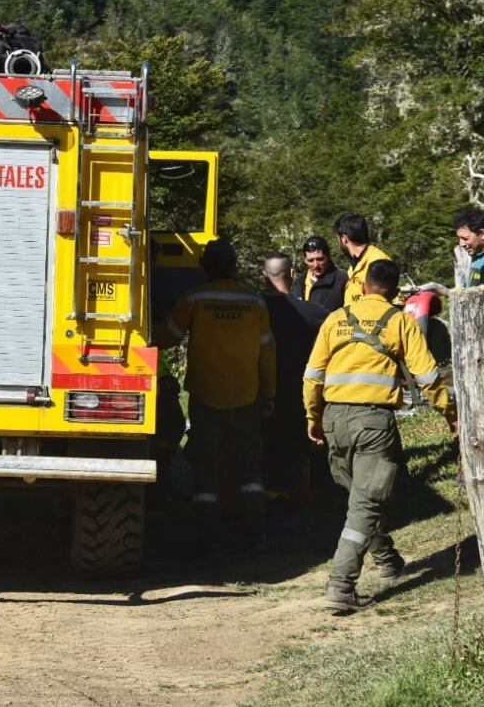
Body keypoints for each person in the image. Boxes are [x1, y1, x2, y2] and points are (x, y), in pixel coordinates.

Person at [304, 260, 455, 612]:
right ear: (394, 291)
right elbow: (428, 377)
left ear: (366, 286)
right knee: (366, 504)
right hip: (372, 422)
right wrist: (451, 415)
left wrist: (312, 417)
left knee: (360, 499)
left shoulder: (336, 319)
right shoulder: (400, 321)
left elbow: (312, 376)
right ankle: (341, 587)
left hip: (333, 419)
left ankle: (387, 560)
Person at [156, 238, 276, 554]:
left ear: (205, 266)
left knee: (205, 473)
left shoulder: (195, 298)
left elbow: (166, 338)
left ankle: (207, 542)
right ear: (234, 265)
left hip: (205, 398)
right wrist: (269, 394)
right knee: (249, 471)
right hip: (246, 397)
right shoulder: (255, 303)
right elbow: (267, 353)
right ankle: (257, 537)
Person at [262, 252, 325, 525]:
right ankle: (299, 506)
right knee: (299, 448)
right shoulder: (313, 313)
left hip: (260, 390)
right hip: (299, 392)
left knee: (262, 447)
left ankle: (264, 505)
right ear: (292, 273)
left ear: (265, 276)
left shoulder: (254, 308)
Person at [333, 213, 393, 307]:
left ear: (344, 239)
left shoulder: (379, 262)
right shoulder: (354, 266)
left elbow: (394, 302)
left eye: (338, 238)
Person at [291, 236, 348, 314]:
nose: (316, 265)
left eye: (320, 259)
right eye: (310, 260)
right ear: (304, 260)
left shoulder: (342, 279)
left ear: (328, 256)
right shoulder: (298, 283)